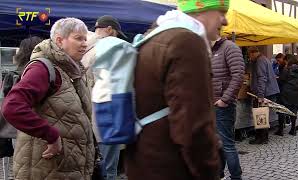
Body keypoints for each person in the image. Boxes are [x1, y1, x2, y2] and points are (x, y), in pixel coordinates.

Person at [125, 1, 228, 180]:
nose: (225, 21)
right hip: (171, 166)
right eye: (221, 11)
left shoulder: (154, 35)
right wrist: (209, 172)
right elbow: (193, 127)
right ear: (200, 7)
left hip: (145, 160)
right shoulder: (187, 41)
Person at [2, 18, 95, 180]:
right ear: (60, 40)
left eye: (85, 39)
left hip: (65, 169)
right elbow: (13, 107)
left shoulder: (73, 72)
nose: (84, 44)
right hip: (46, 169)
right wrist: (50, 135)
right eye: (78, 38)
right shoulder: (44, 68)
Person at [82, 15, 127, 180]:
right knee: (110, 171)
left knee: (95, 166)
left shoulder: (86, 49)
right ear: (110, 30)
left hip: (88, 116)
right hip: (107, 118)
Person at [0, 36, 42, 158]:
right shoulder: (46, 72)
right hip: (41, 124)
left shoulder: (14, 75)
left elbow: (7, 101)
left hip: (17, 126)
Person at [211, 37, 244, 179]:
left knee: (227, 145)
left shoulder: (230, 47)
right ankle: (219, 175)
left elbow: (238, 75)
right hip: (211, 104)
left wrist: (225, 100)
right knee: (217, 144)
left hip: (223, 105)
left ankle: (236, 177)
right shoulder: (210, 49)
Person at [248, 46, 280, 145]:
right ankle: (262, 137)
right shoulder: (264, 59)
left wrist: (260, 95)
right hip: (268, 91)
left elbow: (262, 78)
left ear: (253, 53)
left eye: (250, 56)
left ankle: (261, 138)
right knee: (262, 114)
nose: (250, 58)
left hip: (264, 93)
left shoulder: (260, 61)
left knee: (260, 114)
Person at [274, 54, 298, 136]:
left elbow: (281, 81)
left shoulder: (286, 69)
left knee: (281, 110)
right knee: (293, 110)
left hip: (286, 93)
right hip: (297, 93)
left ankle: (280, 130)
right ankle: (293, 129)